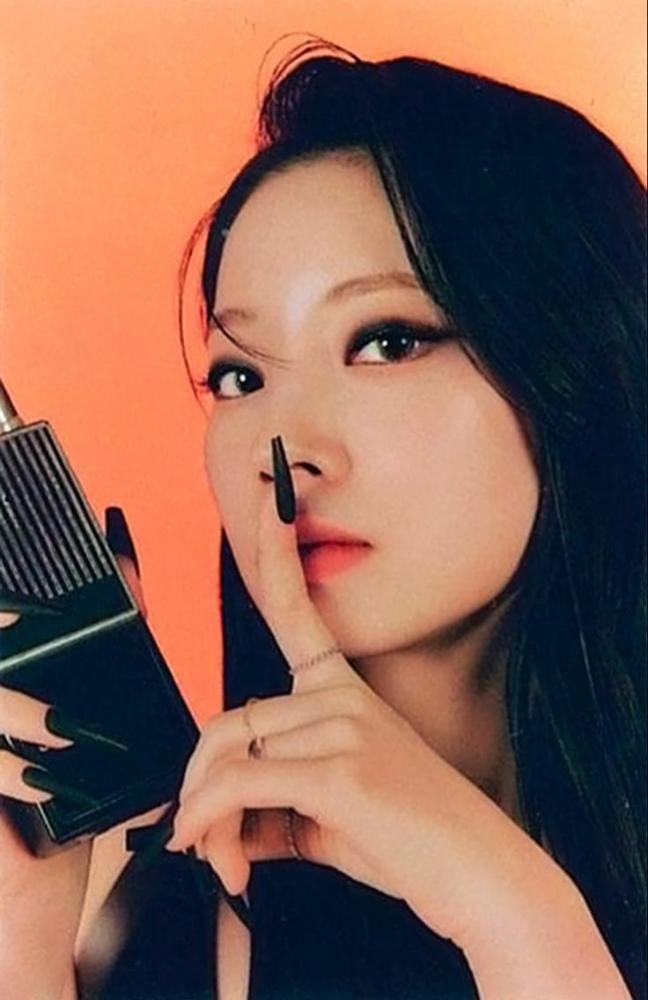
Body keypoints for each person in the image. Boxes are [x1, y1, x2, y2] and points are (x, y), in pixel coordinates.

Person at [0, 38, 645, 999]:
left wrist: (518, 917)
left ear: (583, 367)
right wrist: (20, 950)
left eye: (388, 341)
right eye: (240, 376)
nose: (288, 448)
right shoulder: (164, 911)